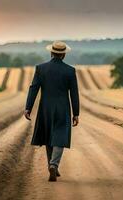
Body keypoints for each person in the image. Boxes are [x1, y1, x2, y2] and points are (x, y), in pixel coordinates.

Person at [24, 41, 80, 182]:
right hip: (63, 108)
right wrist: (76, 113)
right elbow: (74, 94)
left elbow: (34, 88)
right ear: (64, 55)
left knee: (49, 136)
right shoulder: (70, 70)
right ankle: (54, 165)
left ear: (51, 53)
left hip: (45, 108)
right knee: (59, 137)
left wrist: (28, 107)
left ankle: (52, 165)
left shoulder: (41, 68)